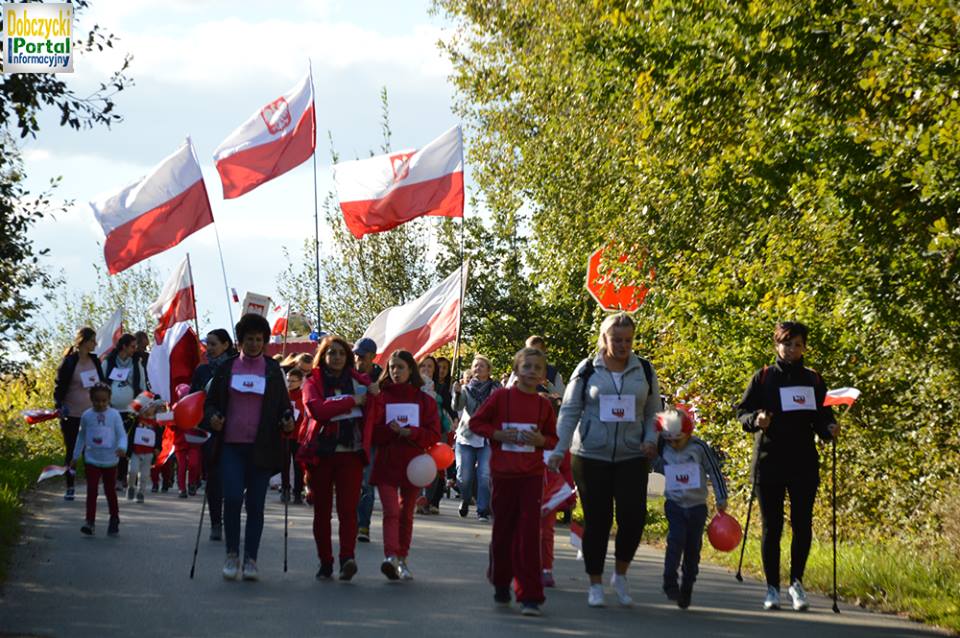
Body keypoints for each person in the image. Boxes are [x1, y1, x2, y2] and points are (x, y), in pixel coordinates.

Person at [548, 312, 661, 608]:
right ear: (604, 339)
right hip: (590, 455)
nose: (623, 346)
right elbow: (570, 410)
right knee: (599, 520)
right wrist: (559, 448)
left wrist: (651, 439)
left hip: (633, 455)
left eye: (628, 340)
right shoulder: (587, 369)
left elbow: (653, 412)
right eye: (617, 340)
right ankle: (595, 583)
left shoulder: (645, 370)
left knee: (633, 519)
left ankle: (620, 575)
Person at [736, 321, 839, 611]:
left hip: (803, 462)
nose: (792, 349)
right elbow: (742, 412)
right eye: (786, 344)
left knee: (802, 524)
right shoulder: (764, 377)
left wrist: (829, 428)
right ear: (776, 345)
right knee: (772, 527)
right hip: (769, 462)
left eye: (797, 344)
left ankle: (796, 584)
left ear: (804, 347)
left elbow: (822, 417)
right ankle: (772, 588)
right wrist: (756, 420)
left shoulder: (814, 380)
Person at [205, 313, 296, 582]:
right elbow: (210, 404)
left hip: (263, 448)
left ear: (266, 341)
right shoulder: (226, 368)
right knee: (232, 499)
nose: (254, 344)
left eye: (259, 339)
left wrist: (287, 420)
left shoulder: (272, 370)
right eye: (249, 339)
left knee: (255, 505)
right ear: (240, 341)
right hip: (231, 446)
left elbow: (284, 407)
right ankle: (232, 554)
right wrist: (213, 418)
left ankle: (251, 560)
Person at [470, 347, 558, 616]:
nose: (531, 372)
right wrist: (498, 434)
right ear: (516, 369)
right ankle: (500, 581)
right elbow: (476, 423)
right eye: (527, 366)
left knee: (530, 534)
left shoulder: (544, 404)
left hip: (531, 476)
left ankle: (530, 594)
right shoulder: (501, 397)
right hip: (504, 475)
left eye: (537, 368)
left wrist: (541, 441)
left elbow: (553, 438)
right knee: (504, 531)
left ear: (544, 375)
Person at [298, 335, 376, 581]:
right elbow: (317, 410)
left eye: (342, 353)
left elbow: (374, 408)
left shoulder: (361, 382)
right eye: (332, 353)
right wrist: (352, 401)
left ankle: (346, 558)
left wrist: (372, 395)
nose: (337, 357)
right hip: (321, 454)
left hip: (351, 455)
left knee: (348, 511)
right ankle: (325, 561)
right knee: (322, 511)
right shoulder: (312, 381)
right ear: (324, 356)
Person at [366, 350, 441, 581]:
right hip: (387, 463)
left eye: (400, 367)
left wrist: (411, 432)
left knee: (406, 513)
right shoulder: (381, 396)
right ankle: (390, 557)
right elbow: (372, 432)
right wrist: (389, 430)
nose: (395, 372)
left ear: (411, 370)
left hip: (414, 465)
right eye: (392, 367)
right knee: (390, 512)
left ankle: (402, 559)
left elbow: (434, 434)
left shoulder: (424, 400)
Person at [653, 407, 728, 609]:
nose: (674, 444)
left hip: (697, 506)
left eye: (678, 440)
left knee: (693, 547)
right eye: (670, 440)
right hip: (675, 504)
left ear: (688, 434)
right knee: (675, 540)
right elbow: (653, 461)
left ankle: (687, 587)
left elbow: (714, 471)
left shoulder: (699, 448)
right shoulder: (664, 448)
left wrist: (721, 497)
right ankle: (669, 582)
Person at [192, 328, 235, 541]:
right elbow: (194, 400)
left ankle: (231, 517)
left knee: (235, 479)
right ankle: (216, 522)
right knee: (214, 478)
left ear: (226, 345)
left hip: (237, 429)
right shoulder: (202, 371)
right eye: (207, 344)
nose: (208, 348)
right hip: (211, 431)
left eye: (213, 344)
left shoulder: (238, 366)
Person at [53, 327, 105, 501]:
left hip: (92, 415)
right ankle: (70, 486)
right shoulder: (69, 362)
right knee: (73, 451)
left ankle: (92, 487)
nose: (95, 344)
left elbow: (102, 384)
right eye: (92, 341)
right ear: (83, 341)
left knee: (92, 451)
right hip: (71, 414)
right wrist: (59, 405)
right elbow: (59, 387)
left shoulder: (95, 361)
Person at [71, 383, 127, 536]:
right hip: (92, 459)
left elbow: (122, 435)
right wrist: (75, 456)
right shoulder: (87, 416)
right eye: (97, 400)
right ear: (91, 399)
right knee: (92, 490)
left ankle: (114, 518)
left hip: (110, 460)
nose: (100, 404)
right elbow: (81, 437)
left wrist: (122, 447)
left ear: (109, 400)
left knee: (110, 491)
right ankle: (90, 522)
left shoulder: (114, 415)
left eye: (104, 401)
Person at [453, 355, 501, 521]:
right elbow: (457, 407)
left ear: (488, 370)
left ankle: (482, 510)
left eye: (481, 366)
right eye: (475, 366)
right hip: (467, 435)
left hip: (487, 437)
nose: (477, 368)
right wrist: (457, 394)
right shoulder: (466, 389)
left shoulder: (496, 389)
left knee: (484, 475)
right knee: (463, 477)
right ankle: (466, 499)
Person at [103, 333, 147, 491]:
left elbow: (142, 386)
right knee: (113, 442)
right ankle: (112, 476)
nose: (135, 349)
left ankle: (122, 477)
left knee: (126, 444)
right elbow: (101, 383)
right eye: (133, 346)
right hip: (111, 409)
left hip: (130, 411)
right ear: (124, 346)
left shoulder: (137, 364)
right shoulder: (108, 362)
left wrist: (142, 404)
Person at [353, 337, 382, 543]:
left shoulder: (381, 378)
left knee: (366, 483)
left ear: (373, 356)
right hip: (349, 433)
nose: (358, 359)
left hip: (371, 438)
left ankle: (363, 525)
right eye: (356, 355)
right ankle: (351, 522)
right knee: (351, 482)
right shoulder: (348, 375)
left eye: (362, 356)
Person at [417, 355, 451, 515]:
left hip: (436, 431)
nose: (426, 369)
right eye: (423, 366)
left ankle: (427, 501)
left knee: (433, 466)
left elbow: (448, 406)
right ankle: (415, 499)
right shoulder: (413, 386)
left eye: (429, 366)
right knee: (416, 462)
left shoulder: (441, 387)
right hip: (416, 430)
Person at [282, 367, 306, 504]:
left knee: (298, 466)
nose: (290, 383)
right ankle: (285, 489)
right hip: (285, 436)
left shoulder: (303, 395)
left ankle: (298, 492)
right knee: (284, 464)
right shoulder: (284, 395)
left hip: (298, 436)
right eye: (288, 380)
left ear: (300, 381)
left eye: (293, 381)